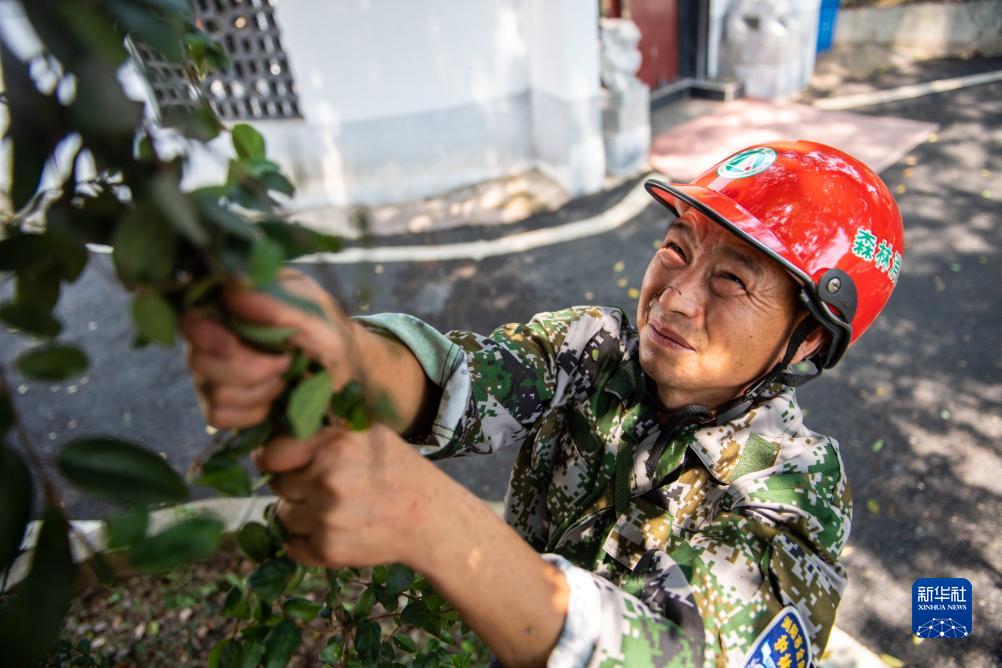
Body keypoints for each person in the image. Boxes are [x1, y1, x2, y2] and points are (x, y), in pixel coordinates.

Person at [181, 140, 904, 668]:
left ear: (809, 338)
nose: (676, 298)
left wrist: (425, 516)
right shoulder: (596, 346)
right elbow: (464, 381)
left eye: (733, 282)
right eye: (678, 249)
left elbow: (688, 652)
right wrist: (340, 355)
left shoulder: (794, 490)